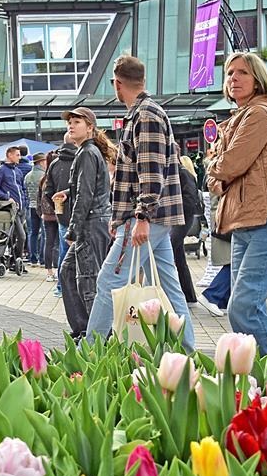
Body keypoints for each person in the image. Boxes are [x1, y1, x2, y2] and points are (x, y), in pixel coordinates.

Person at [86, 55, 195, 350]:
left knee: (108, 283)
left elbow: (149, 171)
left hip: (146, 217)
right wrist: (122, 218)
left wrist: (140, 217)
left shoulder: (145, 115)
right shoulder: (146, 113)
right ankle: (189, 351)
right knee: (171, 289)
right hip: (150, 218)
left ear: (117, 83)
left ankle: (87, 356)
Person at [204, 52, 267, 363]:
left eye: (242, 72)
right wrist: (219, 169)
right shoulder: (240, 118)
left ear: (258, 80)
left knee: (243, 306)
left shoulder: (259, 115)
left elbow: (228, 166)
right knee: (247, 307)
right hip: (244, 223)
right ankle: (265, 378)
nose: (234, 79)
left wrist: (215, 164)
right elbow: (218, 178)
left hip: (266, 224)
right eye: (229, 73)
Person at [54, 108, 114, 337]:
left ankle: (100, 338)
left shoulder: (88, 152)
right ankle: (83, 329)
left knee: (88, 281)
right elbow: (85, 188)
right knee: (68, 271)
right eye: (69, 122)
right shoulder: (87, 152)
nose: (71, 125)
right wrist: (69, 191)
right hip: (93, 221)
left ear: (90, 127)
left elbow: (86, 195)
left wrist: (73, 229)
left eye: (77, 122)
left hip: (91, 223)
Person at [44, 137, 77, 297]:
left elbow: (48, 190)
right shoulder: (83, 159)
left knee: (64, 251)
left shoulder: (54, 164)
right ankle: (75, 286)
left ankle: (61, 287)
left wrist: (57, 207)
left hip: (62, 212)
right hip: (82, 213)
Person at [173, 155, 203, 305]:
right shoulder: (177, 172)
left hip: (182, 218)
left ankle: (178, 296)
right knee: (178, 257)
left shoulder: (182, 172)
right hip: (180, 218)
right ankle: (189, 295)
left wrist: (177, 212)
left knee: (170, 253)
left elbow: (190, 199)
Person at [38, 169, 59, 283]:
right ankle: (56, 270)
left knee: (48, 243)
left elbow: (39, 198)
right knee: (57, 243)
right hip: (58, 214)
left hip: (46, 215)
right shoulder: (57, 177)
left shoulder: (43, 179)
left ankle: (49, 272)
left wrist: (40, 212)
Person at [25, 153, 47, 265]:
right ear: (41, 162)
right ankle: (43, 259)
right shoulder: (44, 176)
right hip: (42, 208)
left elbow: (26, 192)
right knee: (44, 233)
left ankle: (32, 258)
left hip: (31, 206)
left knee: (32, 233)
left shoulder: (28, 176)